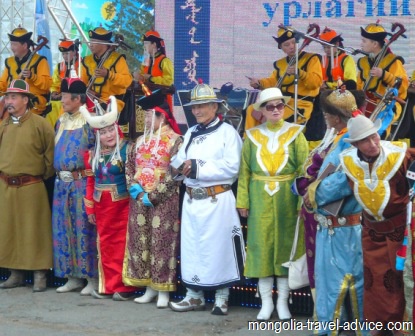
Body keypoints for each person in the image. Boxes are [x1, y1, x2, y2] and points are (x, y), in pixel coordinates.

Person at [168, 83, 245, 316]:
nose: (197, 111)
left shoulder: (228, 133)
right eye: (194, 107)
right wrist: (178, 168)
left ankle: (222, 297)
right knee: (193, 248)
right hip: (193, 200)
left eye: (202, 106)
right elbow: (179, 160)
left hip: (217, 199)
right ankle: (194, 296)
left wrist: (198, 167)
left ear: (215, 106)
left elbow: (233, 166)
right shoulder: (190, 132)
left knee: (218, 248)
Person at [236, 87, 308, 321]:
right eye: (270, 106)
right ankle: (266, 301)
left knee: (287, 246)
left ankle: (283, 301)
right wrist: (243, 200)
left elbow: (303, 171)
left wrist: (301, 202)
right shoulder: (252, 136)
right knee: (261, 246)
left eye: (279, 105)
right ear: (262, 111)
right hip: (259, 195)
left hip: (288, 196)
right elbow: (244, 171)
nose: (276, 110)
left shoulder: (296, 133)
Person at [339, 115, 415, 335]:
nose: (373, 144)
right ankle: (379, 327)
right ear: (355, 145)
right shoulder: (348, 162)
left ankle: (403, 328)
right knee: (375, 282)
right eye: (365, 141)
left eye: (374, 137)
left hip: (401, 231)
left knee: (402, 279)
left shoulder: (400, 155)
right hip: (371, 232)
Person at [301, 89, 365, 335]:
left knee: (342, 286)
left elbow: (345, 178)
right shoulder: (339, 138)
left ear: (334, 117)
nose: (324, 117)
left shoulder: (350, 141)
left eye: (326, 114)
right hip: (333, 226)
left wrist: (314, 191)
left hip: (344, 228)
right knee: (337, 286)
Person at [123, 92, 183, 308]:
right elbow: (130, 167)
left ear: (163, 116)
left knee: (162, 243)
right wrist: (136, 190)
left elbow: (175, 172)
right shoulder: (139, 141)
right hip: (139, 199)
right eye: (145, 116)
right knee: (142, 242)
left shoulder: (176, 140)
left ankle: (163, 289)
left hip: (164, 199)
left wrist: (155, 195)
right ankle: (148, 286)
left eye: (151, 116)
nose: (147, 120)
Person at [81, 96, 138, 300]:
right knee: (104, 246)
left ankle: (123, 287)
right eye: (103, 132)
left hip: (122, 207)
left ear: (117, 129)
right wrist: (89, 209)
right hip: (101, 207)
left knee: (121, 246)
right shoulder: (91, 155)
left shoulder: (128, 149)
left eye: (110, 130)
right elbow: (90, 182)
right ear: (98, 135)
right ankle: (107, 286)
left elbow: (134, 180)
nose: (108, 135)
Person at [0, 79, 55, 292]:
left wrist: (38, 177)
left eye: (13, 97)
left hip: (31, 186)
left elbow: (51, 158)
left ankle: (40, 273)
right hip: (5, 185)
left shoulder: (40, 124)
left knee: (35, 230)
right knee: (10, 229)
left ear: (25, 100)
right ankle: (16, 272)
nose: (9, 101)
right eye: (7, 97)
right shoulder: (3, 124)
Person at [52, 77, 97, 296]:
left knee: (84, 230)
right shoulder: (60, 121)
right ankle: (72, 276)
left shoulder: (91, 121)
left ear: (78, 98)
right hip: (62, 184)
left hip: (81, 183)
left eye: (65, 97)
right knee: (64, 229)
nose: (62, 101)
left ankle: (91, 277)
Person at [247, 26, 322, 127]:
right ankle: (250, 140)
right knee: (251, 110)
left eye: (293, 42)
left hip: (300, 104)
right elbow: (273, 82)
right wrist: (259, 83)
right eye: (286, 45)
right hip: (280, 103)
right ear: (281, 48)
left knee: (274, 119)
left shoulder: (311, 59)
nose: (291, 46)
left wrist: (300, 73)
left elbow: (315, 83)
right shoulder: (280, 64)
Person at [357, 23, 408, 123]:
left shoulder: (393, 61)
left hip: (386, 106)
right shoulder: (364, 62)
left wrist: (384, 75)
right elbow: (359, 86)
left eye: (364, 41)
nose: (361, 44)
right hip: (366, 104)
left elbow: (402, 88)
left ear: (375, 44)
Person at [0, 26, 52, 119]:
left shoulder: (40, 61)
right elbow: (3, 83)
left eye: (15, 45)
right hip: (13, 100)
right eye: (11, 44)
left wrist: (33, 76)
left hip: (32, 102)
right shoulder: (9, 62)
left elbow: (47, 85)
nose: (12, 48)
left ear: (24, 45)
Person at [80, 27, 133, 115]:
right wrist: (86, 90)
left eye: (94, 42)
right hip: (91, 101)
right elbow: (82, 82)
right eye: (90, 41)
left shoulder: (118, 59)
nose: (90, 45)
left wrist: (109, 74)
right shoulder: (86, 61)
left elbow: (127, 81)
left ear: (104, 44)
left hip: (111, 103)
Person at [134, 30, 174, 111]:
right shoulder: (146, 61)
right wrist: (139, 77)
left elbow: (169, 81)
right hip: (147, 99)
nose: (144, 46)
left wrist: (151, 78)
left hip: (162, 100)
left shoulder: (164, 61)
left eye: (146, 44)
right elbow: (143, 78)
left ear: (154, 44)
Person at [47, 40, 80, 127]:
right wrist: (54, 92)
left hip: (76, 98)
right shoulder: (59, 66)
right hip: (61, 99)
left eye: (67, 53)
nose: (65, 56)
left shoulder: (82, 65)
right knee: (50, 107)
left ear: (75, 51)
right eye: (63, 54)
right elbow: (54, 83)